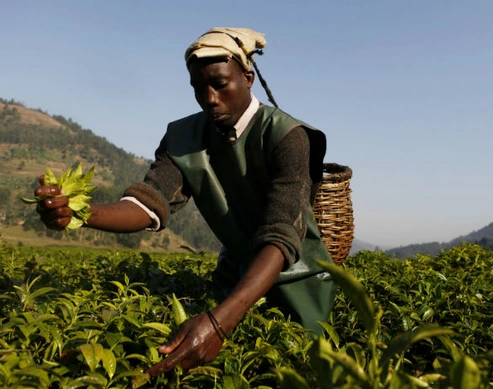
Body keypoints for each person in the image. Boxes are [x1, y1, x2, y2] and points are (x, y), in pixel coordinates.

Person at [35, 27, 336, 377]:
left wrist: (218, 324)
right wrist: (80, 212)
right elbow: (148, 203)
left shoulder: (288, 137)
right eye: (198, 87)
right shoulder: (183, 136)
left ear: (248, 77)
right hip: (236, 276)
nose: (209, 98)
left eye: (220, 84)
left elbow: (280, 235)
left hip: (298, 282)